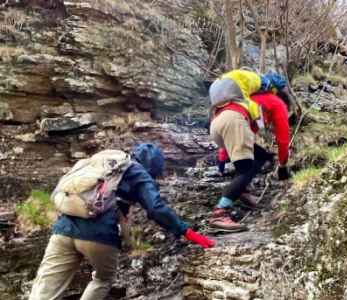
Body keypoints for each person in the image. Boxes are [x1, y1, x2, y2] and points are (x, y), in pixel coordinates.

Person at [29, 143, 215, 300]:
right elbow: (156, 208)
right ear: (153, 166)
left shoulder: (107, 164)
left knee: (45, 287)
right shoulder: (138, 171)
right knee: (103, 279)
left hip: (64, 228)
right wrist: (185, 231)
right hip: (99, 235)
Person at [208, 69, 291, 232]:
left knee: (260, 156)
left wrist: (222, 157)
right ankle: (220, 213)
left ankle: (243, 191)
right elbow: (283, 137)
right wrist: (283, 165)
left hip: (217, 122)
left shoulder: (249, 98)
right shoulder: (276, 102)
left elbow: (239, 135)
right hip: (234, 121)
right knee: (246, 168)